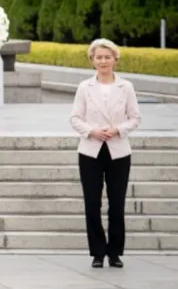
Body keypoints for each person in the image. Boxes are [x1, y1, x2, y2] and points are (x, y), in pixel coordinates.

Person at [70, 38, 141, 269]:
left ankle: (115, 252)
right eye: (98, 57)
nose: (103, 61)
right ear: (92, 60)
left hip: (118, 151)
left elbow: (135, 118)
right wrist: (92, 131)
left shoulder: (126, 86)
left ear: (115, 60)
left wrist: (117, 130)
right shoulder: (84, 87)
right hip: (90, 151)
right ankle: (97, 252)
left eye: (107, 57)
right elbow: (75, 118)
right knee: (92, 203)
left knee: (117, 203)